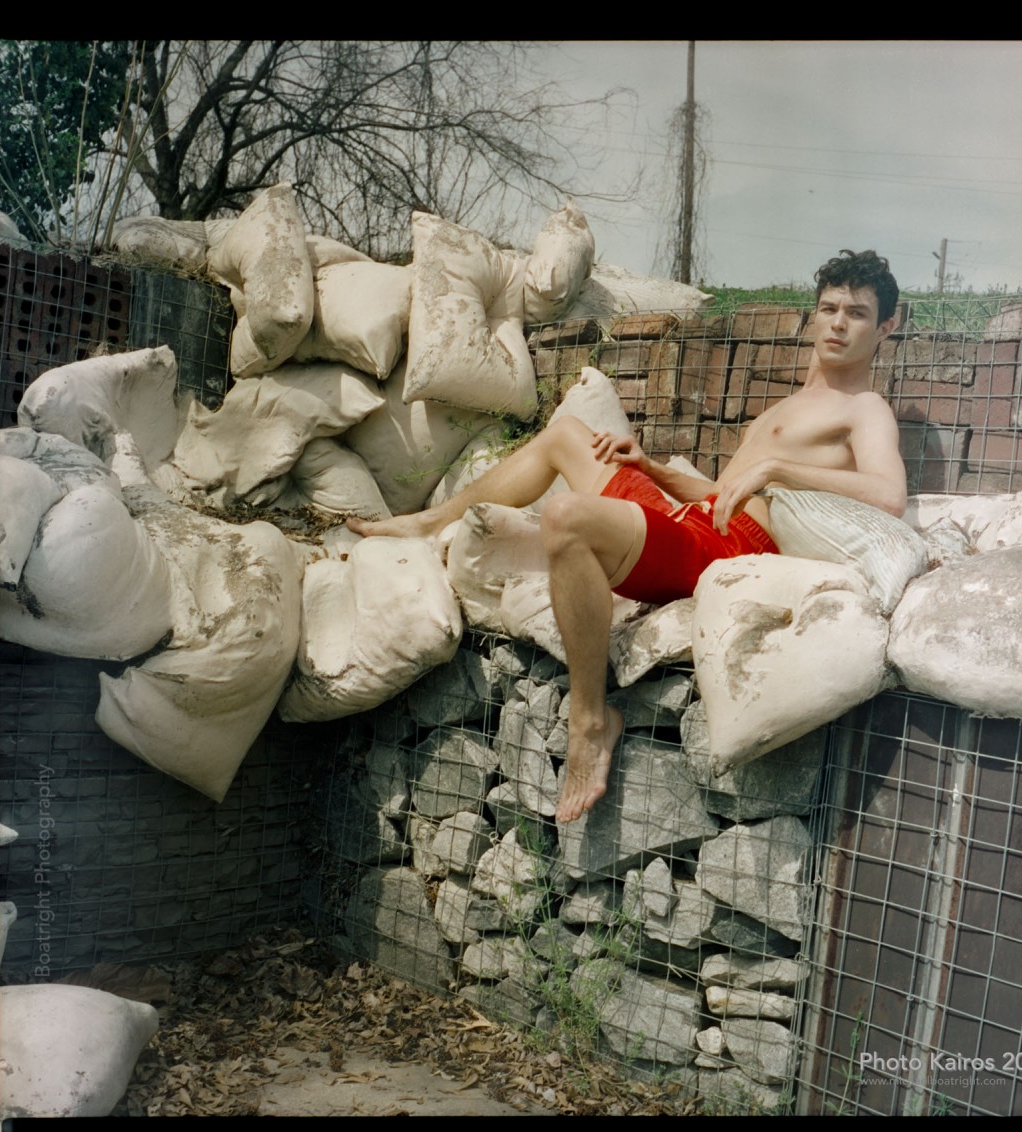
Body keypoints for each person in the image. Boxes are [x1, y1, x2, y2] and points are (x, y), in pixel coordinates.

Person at [348, 249, 906, 824]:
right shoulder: (791, 404)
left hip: (728, 547)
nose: (838, 324)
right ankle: (428, 521)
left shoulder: (865, 408)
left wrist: (777, 469)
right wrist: (654, 469)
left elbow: (890, 496)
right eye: (829, 308)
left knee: (567, 517)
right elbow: (722, 492)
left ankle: (591, 719)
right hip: (694, 519)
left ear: (885, 327)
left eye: (857, 314)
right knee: (566, 433)